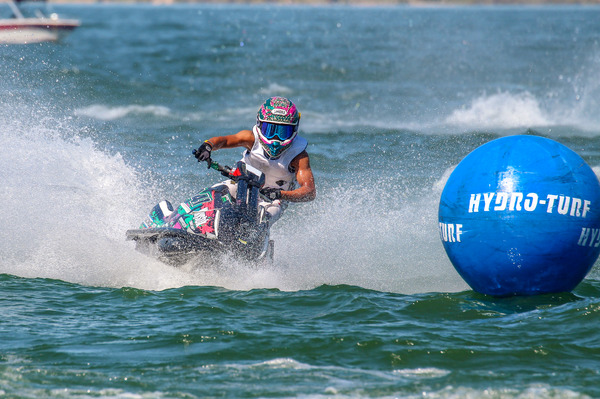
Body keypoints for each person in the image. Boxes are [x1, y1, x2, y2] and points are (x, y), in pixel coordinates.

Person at [194, 96, 316, 225]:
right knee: (213, 195)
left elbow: (309, 191)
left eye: (282, 132)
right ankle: (176, 220)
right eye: (270, 130)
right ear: (259, 124)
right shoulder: (250, 138)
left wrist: (280, 194)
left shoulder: (298, 156)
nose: (275, 138)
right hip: (241, 185)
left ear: (294, 129)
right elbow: (224, 140)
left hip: (273, 200)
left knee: (264, 217)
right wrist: (208, 147)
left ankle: (252, 242)